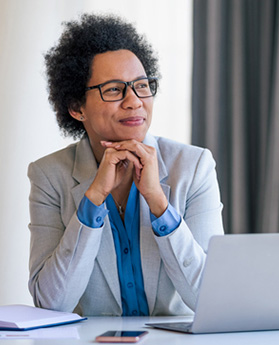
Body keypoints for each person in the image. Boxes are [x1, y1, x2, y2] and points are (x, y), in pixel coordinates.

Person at [27, 13, 224, 317]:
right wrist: (92, 199)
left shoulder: (194, 167)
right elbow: (51, 303)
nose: (134, 101)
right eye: (115, 89)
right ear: (77, 107)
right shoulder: (49, 176)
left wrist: (159, 204)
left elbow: (212, 299)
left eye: (142, 86)